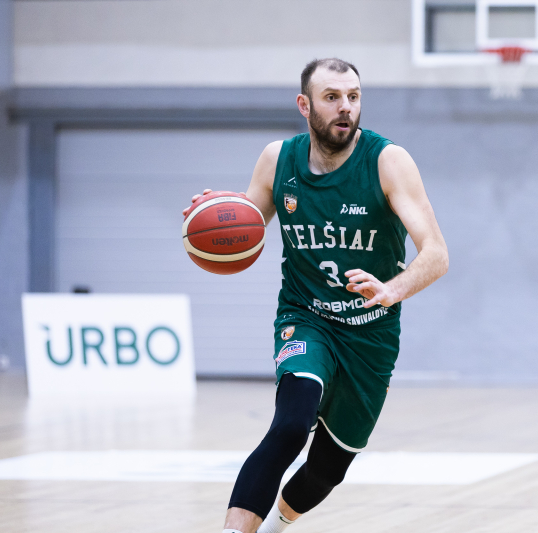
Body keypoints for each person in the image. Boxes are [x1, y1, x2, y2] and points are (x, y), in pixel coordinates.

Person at [185, 58, 449, 533]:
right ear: (305, 105)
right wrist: (214, 216)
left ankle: (274, 527)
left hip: (370, 333)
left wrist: (391, 289)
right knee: (290, 426)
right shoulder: (277, 160)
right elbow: (245, 232)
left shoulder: (388, 161)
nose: (346, 107)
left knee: (327, 471)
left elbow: (436, 253)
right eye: (332, 97)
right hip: (306, 316)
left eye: (353, 96)